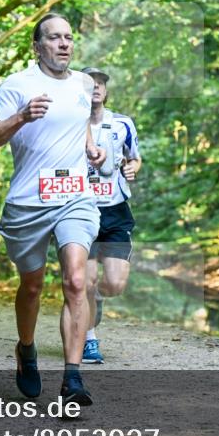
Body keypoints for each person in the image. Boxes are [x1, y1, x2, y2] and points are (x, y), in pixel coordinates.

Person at [0, 13, 106, 406]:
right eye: (54, 38)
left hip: (76, 196)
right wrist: (21, 116)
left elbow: (81, 119)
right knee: (32, 286)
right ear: (37, 46)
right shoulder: (18, 84)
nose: (64, 44)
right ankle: (27, 349)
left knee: (75, 280)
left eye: (68, 37)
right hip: (29, 201)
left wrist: (90, 146)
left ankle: (72, 378)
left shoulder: (84, 84)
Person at [78, 67, 142, 364]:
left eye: (101, 83)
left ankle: (98, 299)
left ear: (106, 90)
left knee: (114, 283)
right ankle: (90, 340)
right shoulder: (70, 122)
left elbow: (134, 158)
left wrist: (133, 168)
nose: (96, 87)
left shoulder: (122, 123)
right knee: (86, 281)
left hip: (116, 211)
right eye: (90, 82)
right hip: (80, 208)